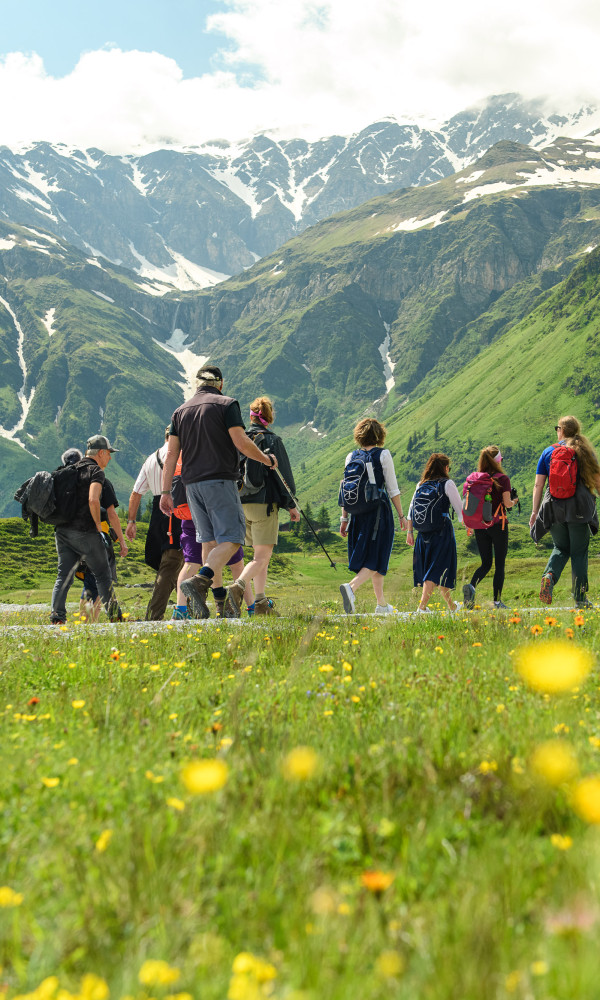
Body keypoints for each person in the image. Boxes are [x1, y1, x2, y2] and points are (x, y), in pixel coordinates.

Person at [159, 365, 278, 619]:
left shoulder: (179, 412)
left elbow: (171, 454)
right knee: (233, 538)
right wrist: (266, 459)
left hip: (191, 485)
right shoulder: (227, 405)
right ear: (220, 384)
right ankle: (200, 580)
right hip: (220, 480)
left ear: (196, 384)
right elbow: (241, 442)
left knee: (208, 541)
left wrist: (165, 491)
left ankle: (217, 604)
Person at [225, 396, 300, 616]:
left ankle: (260, 603)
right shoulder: (272, 440)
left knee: (259, 558)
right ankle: (238, 586)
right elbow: (282, 475)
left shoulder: (238, 439)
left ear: (250, 416)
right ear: (268, 418)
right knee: (261, 558)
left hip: (240, 503)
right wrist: (291, 504)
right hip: (264, 505)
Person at [169, 454, 254, 619]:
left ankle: (181, 610)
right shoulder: (207, 446)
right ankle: (250, 607)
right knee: (235, 562)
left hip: (190, 515)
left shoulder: (177, 457)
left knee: (192, 563)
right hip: (215, 507)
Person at [50, 435, 123, 625]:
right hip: (85, 532)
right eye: (109, 454)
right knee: (102, 575)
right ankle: (115, 617)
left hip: (63, 532)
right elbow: (93, 499)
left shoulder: (70, 470)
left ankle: (57, 617)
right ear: (100, 453)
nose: (110, 458)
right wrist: (98, 527)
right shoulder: (95, 471)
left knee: (63, 576)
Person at [530, 415, 600, 608]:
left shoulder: (548, 452)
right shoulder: (584, 451)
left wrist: (535, 512)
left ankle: (549, 577)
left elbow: (538, 485)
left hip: (553, 508)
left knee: (561, 547)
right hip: (579, 509)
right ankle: (580, 599)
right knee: (578, 552)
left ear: (561, 430)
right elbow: (597, 481)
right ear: (576, 431)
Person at [338, 418, 407, 614]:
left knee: (374, 557)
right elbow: (393, 489)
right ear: (379, 435)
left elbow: (346, 490)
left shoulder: (351, 456)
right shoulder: (383, 455)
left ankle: (382, 605)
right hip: (378, 512)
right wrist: (401, 516)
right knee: (377, 557)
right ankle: (351, 588)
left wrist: (344, 519)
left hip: (357, 514)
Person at [126, 430, 183, 620]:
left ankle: (188, 607)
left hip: (158, 513)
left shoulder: (151, 458)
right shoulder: (181, 453)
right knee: (172, 562)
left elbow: (136, 493)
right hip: (178, 508)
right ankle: (154, 615)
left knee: (174, 564)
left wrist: (131, 521)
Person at [406, 453, 464, 613]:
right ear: (445, 468)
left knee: (438, 568)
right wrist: (468, 525)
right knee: (436, 569)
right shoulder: (447, 484)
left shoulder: (421, 484)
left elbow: (411, 510)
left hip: (422, 533)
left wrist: (410, 532)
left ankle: (452, 606)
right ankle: (422, 607)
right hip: (442, 531)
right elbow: (460, 510)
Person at [463, 446, 519, 610]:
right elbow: (507, 503)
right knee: (499, 564)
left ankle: (472, 586)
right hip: (498, 525)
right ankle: (497, 601)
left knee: (486, 563)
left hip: (480, 526)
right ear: (498, 461)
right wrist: (515, 499)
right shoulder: (503, 479)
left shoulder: (476, 478)